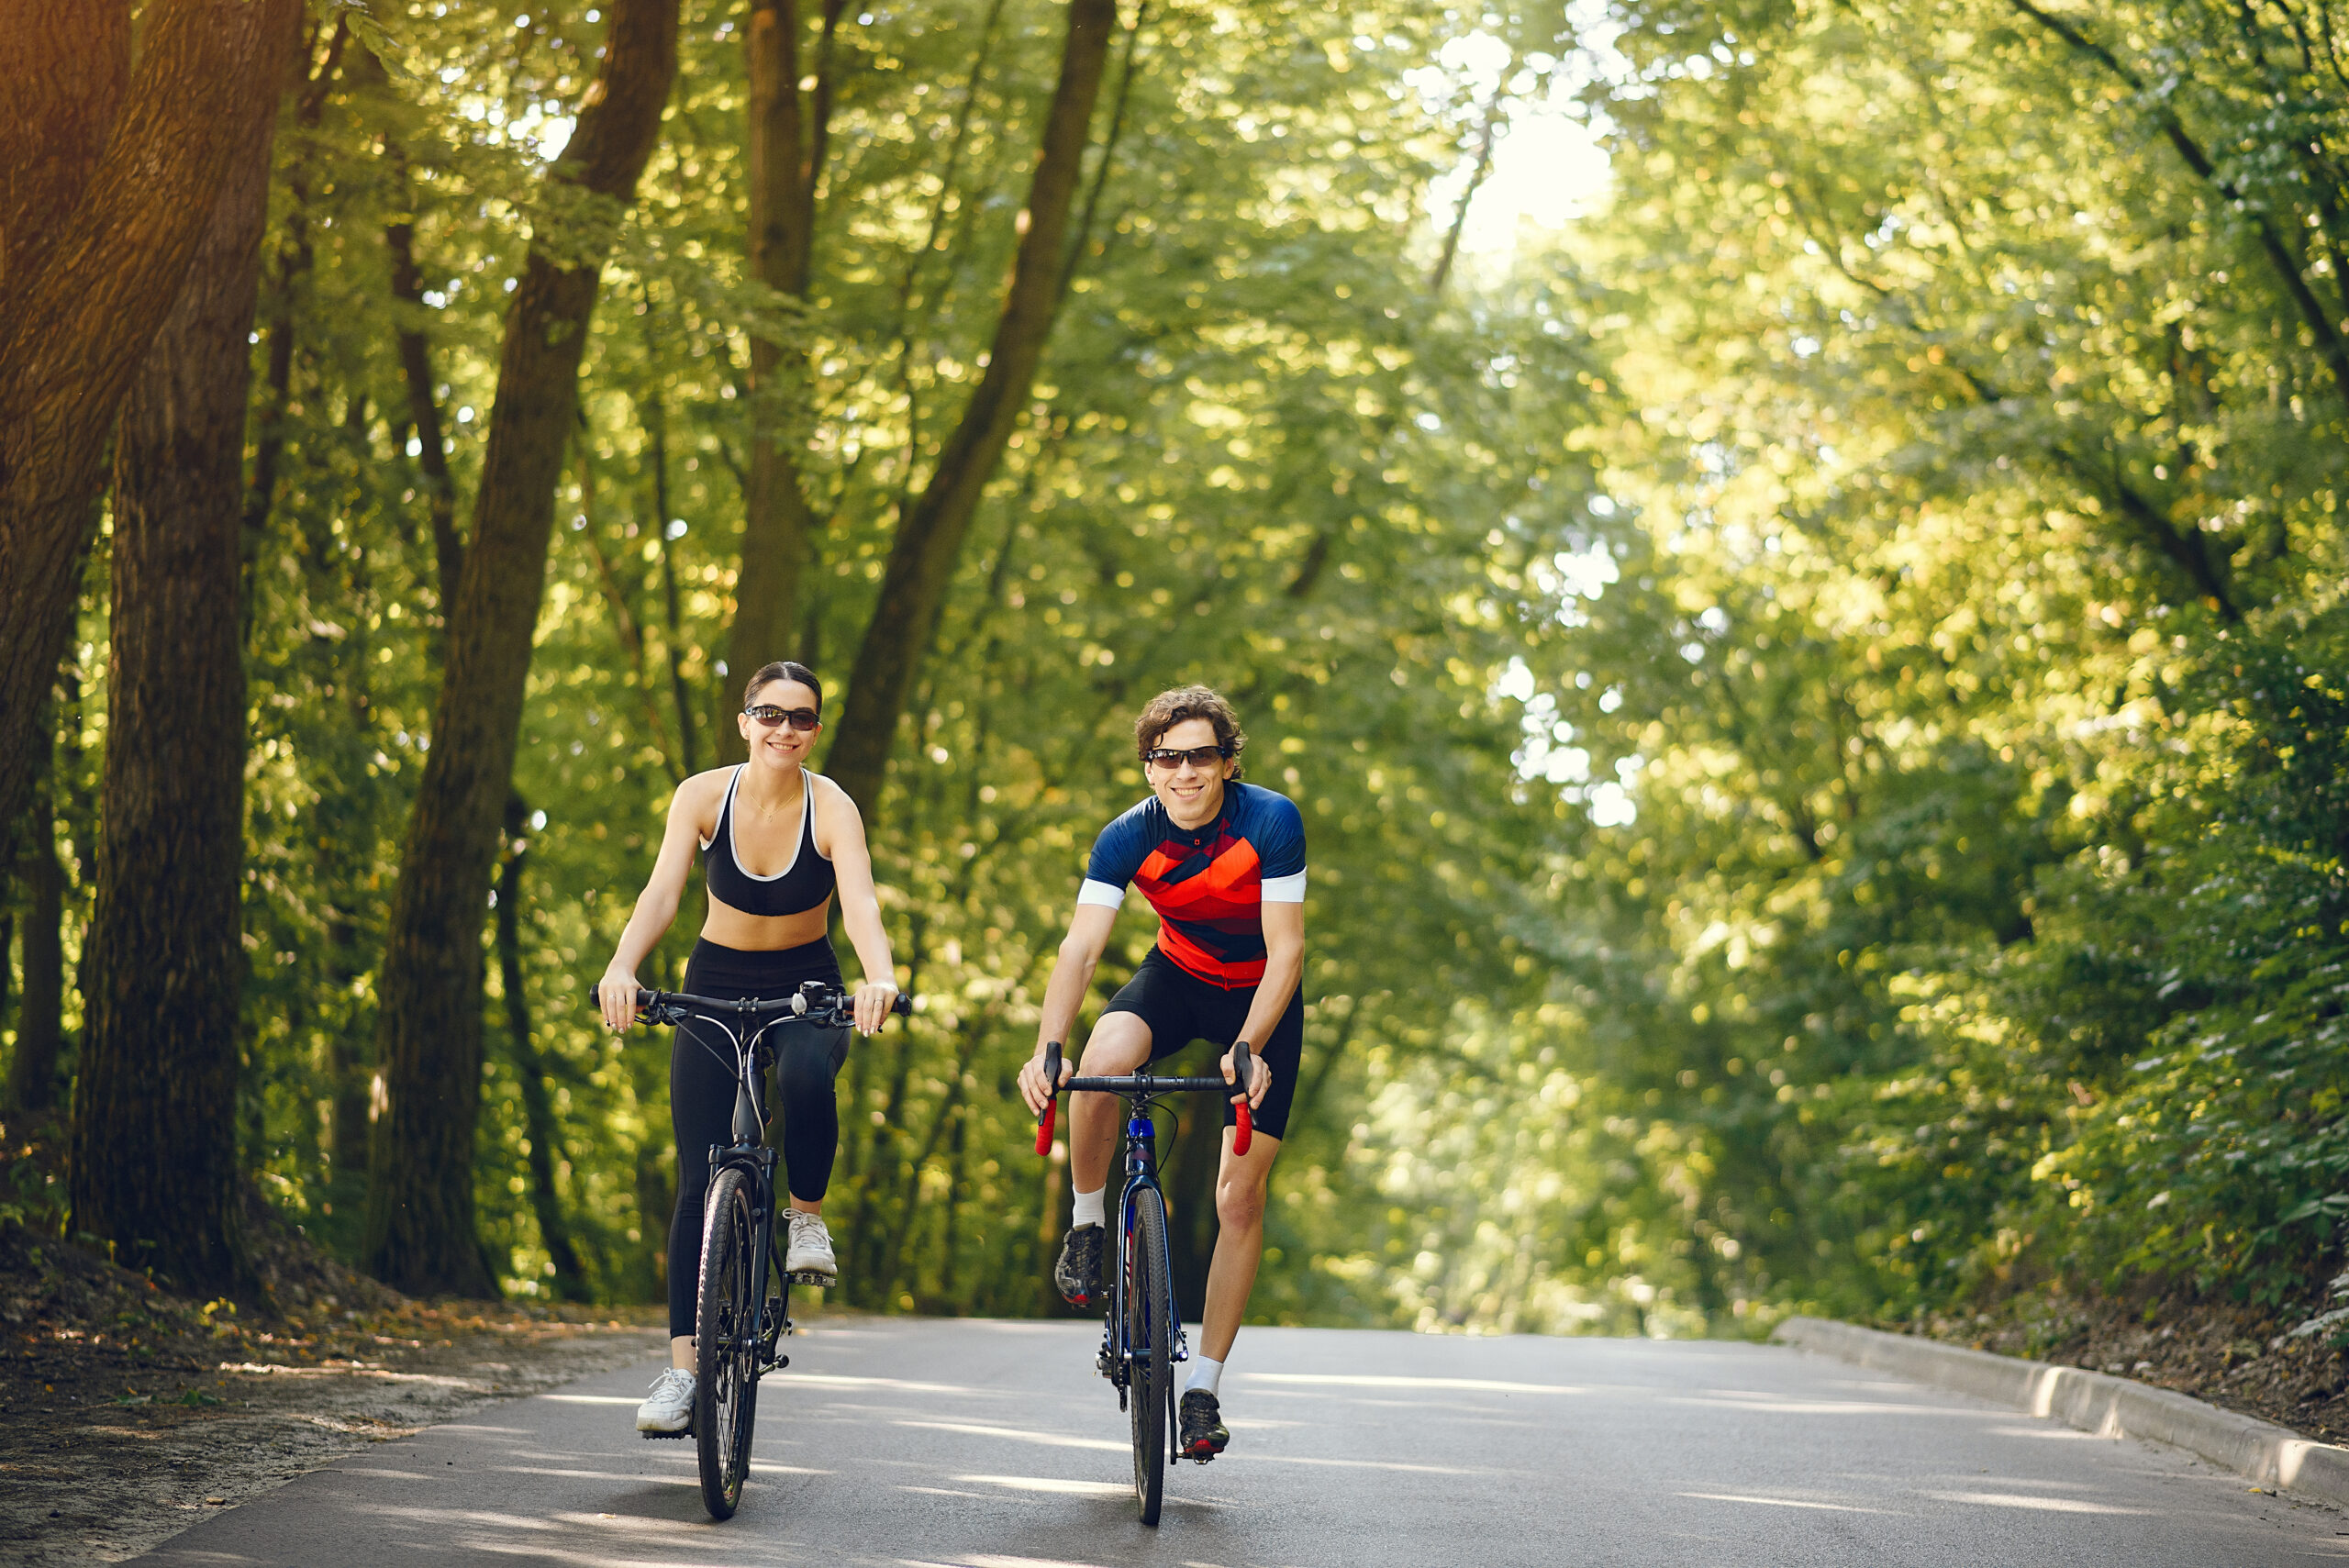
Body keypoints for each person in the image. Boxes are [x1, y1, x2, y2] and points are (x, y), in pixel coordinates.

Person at [596, 660, 901, 1437]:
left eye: (801, 717)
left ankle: (805, 1218)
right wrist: (623, 965)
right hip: (715, 980)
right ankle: (683, 1373)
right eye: (770, 713)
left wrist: (880, 977)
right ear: (744, 722)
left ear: (815, 730)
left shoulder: (832, 807)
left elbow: (860, 900)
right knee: (698, 1178)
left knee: (804, 1074)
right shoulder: (702, 796)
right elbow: (662, 890)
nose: (784, 729)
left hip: (807, 984)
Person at [1017, 684, 1304, 1463]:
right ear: (1148, 768)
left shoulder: (1270, 820)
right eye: (1167, 758)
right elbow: (1080, 949)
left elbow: (1287, 950)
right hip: (1177, 976)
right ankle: (1088, 1225)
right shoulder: (1126, 836)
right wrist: (1048, 1045)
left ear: (1227, 762)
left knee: (1239, 1195)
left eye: (1200, 756)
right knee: (1102, 1062)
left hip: (1262, 997)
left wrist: (1249, 1044)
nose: (1185, 772)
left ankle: (1203, 1387)